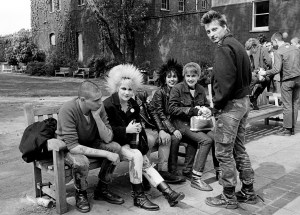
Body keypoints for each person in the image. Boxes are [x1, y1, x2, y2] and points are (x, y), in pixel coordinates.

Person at [103, 64, 185, 211]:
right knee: (136, 156)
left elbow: (138, 129)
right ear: (116, 88)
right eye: (123, 89)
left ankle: (168, 193)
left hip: (128, 143)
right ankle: (138, 197)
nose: (127, 92)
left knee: (143, 158)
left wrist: (141, 143)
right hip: (113, 143)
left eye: (130, 89)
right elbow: (105, 132)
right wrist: (125, 130)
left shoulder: (133, 103)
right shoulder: (108, 105)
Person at [201, 10, 257, 208]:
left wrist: (214, 106)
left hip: (231, 106)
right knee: (239, 148)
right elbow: (248, 77)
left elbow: (225, 83)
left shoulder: (224, 47)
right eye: (208, 31)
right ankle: (248, 190)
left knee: (223, 152)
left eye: (214, 29)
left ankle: (228, 196)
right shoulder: (238, 45)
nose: (211, 34)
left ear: (224, 26)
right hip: (243, 102)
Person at [56, 80, 124, 213]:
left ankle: (102, 189)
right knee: (81, 162)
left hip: (90, 142)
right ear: (82, 99)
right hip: (67, 148)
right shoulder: (68, 110)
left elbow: (108, 138)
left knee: (115, 148)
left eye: (101, 99)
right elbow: (74, 147)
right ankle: (81, 193)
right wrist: (106, 154)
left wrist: (97, 118)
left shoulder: (99, 107)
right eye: (96, 100)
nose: (100, 103)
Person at [168, 62, 218, 192]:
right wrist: (192, 110)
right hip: (182, 124)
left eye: (193, 76)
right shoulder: (177, 88)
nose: (190, 78)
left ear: (198, 76)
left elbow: (207, 105)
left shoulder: (201, 89)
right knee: (206, 140)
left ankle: (220, 172)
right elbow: (172, 109)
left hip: (199, 124)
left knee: (216, 137)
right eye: (188, 75)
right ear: (184, 76)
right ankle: (196, 178)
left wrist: (209, 111)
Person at [149, 59, 186, 182]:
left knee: (180, 137)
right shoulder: (160, 92)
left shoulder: (179, 92)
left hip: (171, 123)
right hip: (158, 124)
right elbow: (158, 113)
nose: (172, 79)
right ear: (164, 78)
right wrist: (168, 129)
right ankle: (166, 170)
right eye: (169, 77)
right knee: (170, 138)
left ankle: (173, 170)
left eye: (174, 77)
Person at [259, 32, 300, 136]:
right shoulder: (295, 48)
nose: (273, 44)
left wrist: (265, 72)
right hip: (298, 79)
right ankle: (293, 129)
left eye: (273, 42)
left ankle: (287, 130)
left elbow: (277, 69)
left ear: (276, 40)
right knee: (295, 104)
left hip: (287, 81)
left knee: (287, 105)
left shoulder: (278, 51)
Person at [245, 38, 273, 110]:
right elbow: (242, 71)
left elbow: (253, 68)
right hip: (243, 78)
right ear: (253, 47)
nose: (257, 50)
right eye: (257, 47)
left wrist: (259, 71)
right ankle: (246, 100)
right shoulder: (243, 55)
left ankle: (254, 97)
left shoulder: (251, 56)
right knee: (253, 79)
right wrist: (254, 74)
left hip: (251, 75)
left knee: (266, 79)